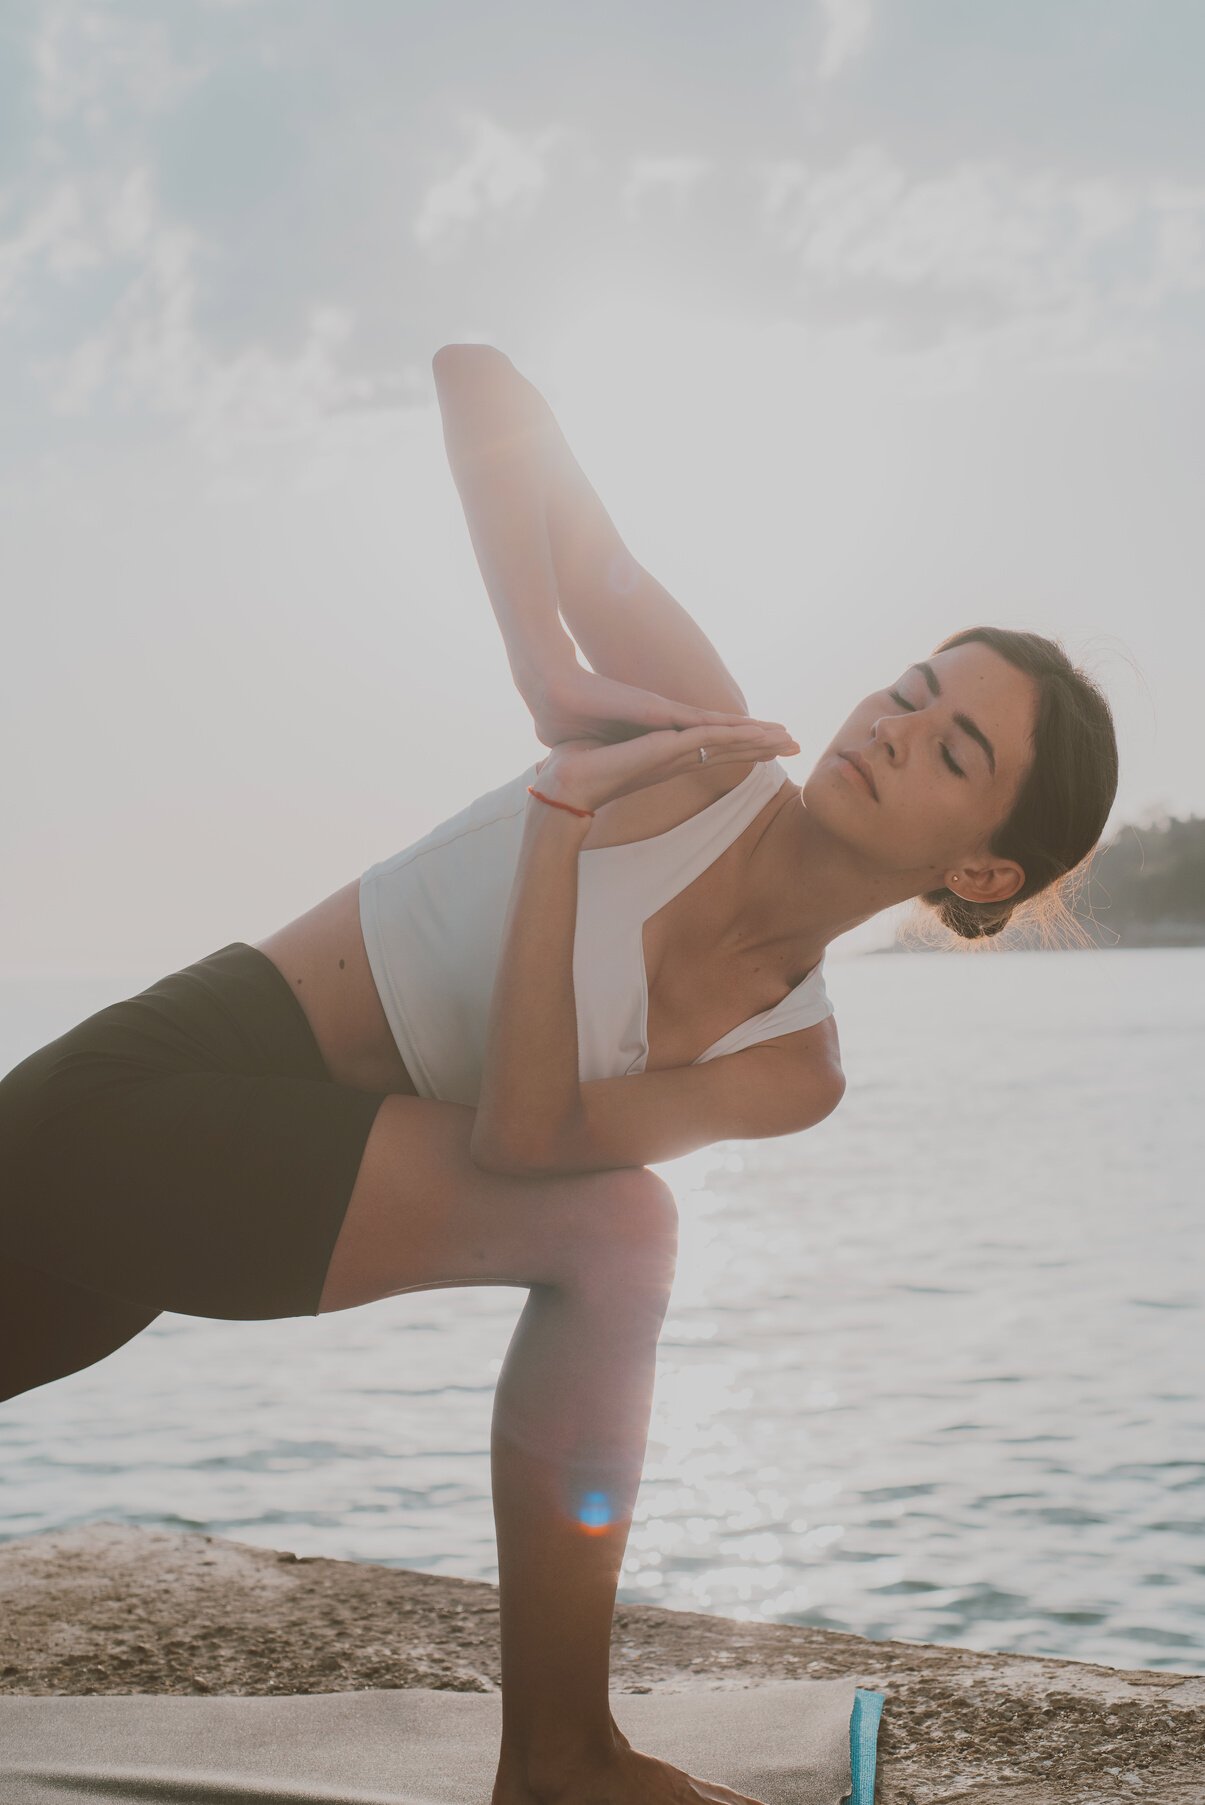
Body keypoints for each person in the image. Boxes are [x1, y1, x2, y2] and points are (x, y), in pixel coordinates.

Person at [0, 344, 1119, 1805]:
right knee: (622, 1226)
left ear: (980, 863)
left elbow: (532, 1137)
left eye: (952, 743)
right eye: (909, 686)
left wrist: (557, 825)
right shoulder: (700, 746)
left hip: (269, 1171)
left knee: (618, 1224)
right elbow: (484, 385)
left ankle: (558, 1756)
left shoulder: (792, 1067)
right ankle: (561, 1761)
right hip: (160, 1094)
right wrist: (544, 657)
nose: (892, 722)